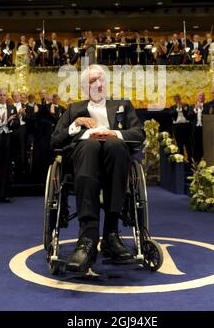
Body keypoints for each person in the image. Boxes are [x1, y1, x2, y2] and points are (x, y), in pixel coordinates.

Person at [51, 64, 145, 274]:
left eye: (101, 79)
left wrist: (115, 134)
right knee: (90, 144)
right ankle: (87, 238)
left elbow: (139, 133)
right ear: (85, 87)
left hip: (115, 161)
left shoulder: (123, 105)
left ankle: (111, 234)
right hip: (84, 162)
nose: (99, 84)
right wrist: (75, 125)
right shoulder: (74, 109)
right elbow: (55, 140)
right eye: (93, 81)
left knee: (115, 145)